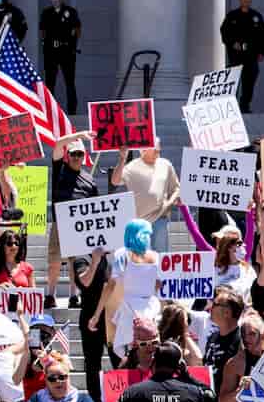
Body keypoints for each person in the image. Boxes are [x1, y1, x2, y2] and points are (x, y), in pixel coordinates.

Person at [90, 220, 161, 359]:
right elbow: (159, 285)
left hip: (129, 310)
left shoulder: (122, 254)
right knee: (151, 351)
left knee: (129, 354)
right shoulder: (156, 256)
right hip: (151, 308)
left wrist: (96, 315)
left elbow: (110, 286)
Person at [48, 131, 98, 308]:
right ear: (67, 155)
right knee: (54, 261)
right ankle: (50, 294)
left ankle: (73, 296)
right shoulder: (60, 170)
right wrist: (80, 135)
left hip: (80, 226)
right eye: (73, 154)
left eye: (80, 154)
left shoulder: (89, 180)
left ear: (84, 157)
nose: (76, 157)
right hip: (60, 223)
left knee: (74, 262)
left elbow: (95, 206)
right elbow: (57, 144)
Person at [110, 143, 181, 254]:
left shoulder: (165, 165)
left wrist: (170, 203)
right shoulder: (131, 167)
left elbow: (176, 188)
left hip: (160, 220)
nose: (158, 152)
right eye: (155, 150)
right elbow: (115, 181)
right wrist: (122, 159)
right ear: (143, 150)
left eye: (158, 149)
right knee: (141, 257)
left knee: (161, 257)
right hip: (140, 222)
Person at [220, 0, 264, 113]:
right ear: (240, 0)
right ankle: (231, 107)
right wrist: (232, 43)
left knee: (249, 81)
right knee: (234, 81)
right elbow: (224, 31)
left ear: (250, 0)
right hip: (236, 55)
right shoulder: (232, 16)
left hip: (251, 55)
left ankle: (244, 105)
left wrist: (262, 52)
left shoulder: (256, 17)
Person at [72, 247, 111, 399]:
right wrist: (95, 261)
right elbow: (85, 282)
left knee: (118, 358)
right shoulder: (81, 259)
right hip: (90, 317)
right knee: (92, 364)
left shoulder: (107, 257)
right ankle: (95, 401)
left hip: (109, 316)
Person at [39, 0, 81, 113]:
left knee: (69, 82)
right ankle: (50, 110)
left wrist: (73, 43)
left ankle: (72, 110)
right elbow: (42, 30)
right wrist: (44, 43)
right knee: (50, 82)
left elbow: (77, 29)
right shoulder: (46, 12)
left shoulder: (70, 12)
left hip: (66, 50)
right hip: (51, 51)